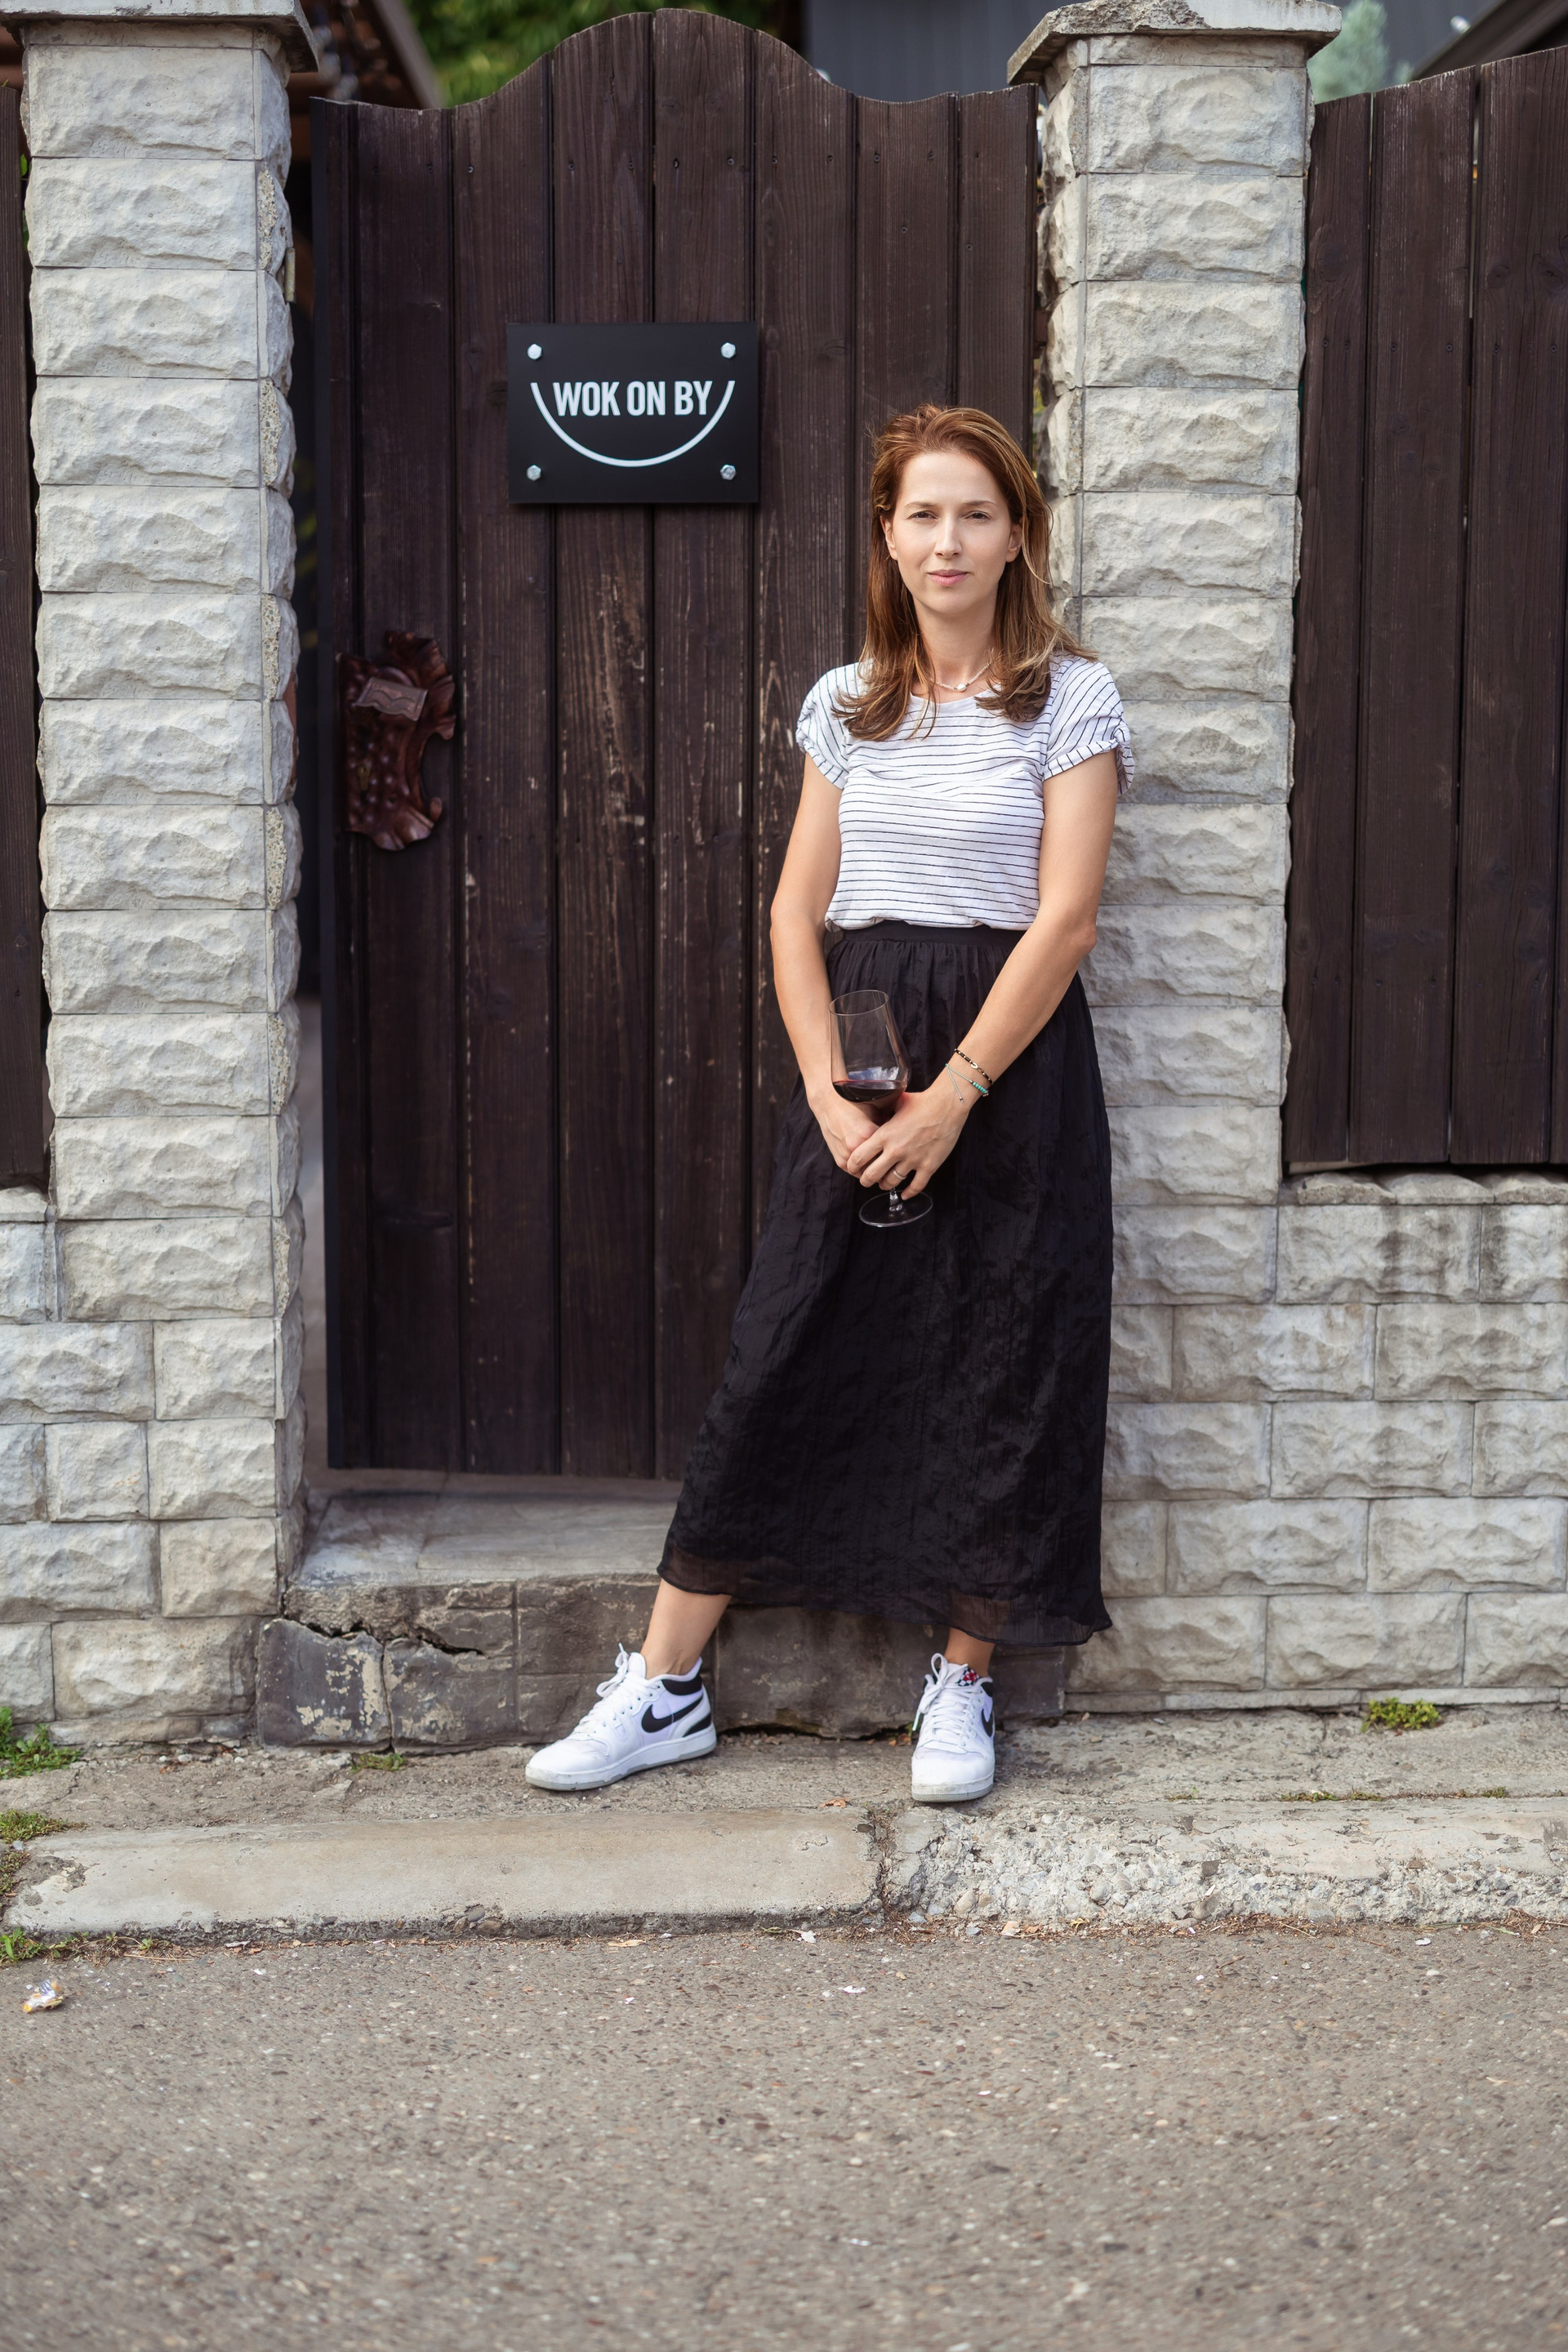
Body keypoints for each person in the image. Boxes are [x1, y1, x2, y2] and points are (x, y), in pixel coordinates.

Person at [528, 403, 1129, 1805]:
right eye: (923, 514)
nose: (948, 540)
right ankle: (666, 1687)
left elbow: (1065, 922)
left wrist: (957, 1097)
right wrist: (823, 1086)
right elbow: (796, 913)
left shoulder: (1070, 699)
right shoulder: (849, 701)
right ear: (888, 537)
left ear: (1019, 535)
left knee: (1006, 1359)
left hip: (1011, 1069)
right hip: (861, 1060)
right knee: (781, 1349)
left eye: (976, 513)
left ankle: (963, 1684)